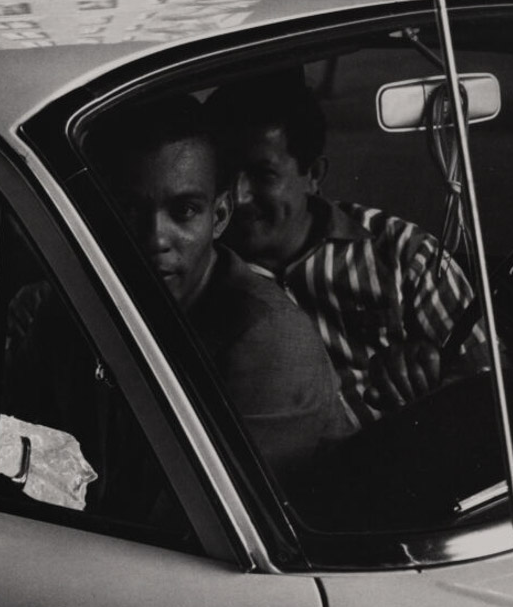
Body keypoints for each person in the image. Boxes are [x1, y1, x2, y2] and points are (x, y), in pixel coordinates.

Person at [205, 76, 490, 428]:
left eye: (263, 174)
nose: (239, 195)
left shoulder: (403, 253)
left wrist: (432, 376)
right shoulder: (200, 276)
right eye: (225, 173)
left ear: (313, 174)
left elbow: (490, 379)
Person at [93, 95, 353, 479]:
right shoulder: (74, 302)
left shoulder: (270, 341)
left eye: (183, 212)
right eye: (129, 210)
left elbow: (188, 525)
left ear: (219, 217)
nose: (154, 238)